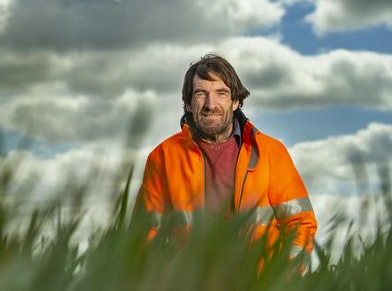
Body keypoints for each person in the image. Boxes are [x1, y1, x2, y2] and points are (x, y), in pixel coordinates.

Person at [135, 53, 317, 264]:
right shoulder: (163, 157)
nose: (211, 104)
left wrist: (287, 277)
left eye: (221, 93)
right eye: (201, 93)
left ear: (236, 101)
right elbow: (144, 234)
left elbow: (300, 223)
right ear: (188, 104)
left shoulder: (270, 152)